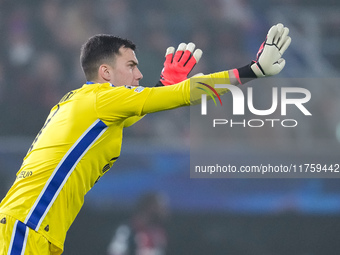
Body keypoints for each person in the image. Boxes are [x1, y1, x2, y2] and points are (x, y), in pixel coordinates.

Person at [0, 23, 291, 254]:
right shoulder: (101, 100)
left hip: (35, 227)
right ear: (105, 72)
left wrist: (163, 85)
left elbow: (141, 111)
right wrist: (252, 71)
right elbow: (186, 94)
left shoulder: (86, 102)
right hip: (27, 224)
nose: (139, 74)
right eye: (131, 66)